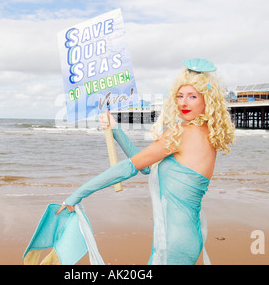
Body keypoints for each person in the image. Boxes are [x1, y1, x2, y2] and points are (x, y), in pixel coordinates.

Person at [56, 58, 236, 265]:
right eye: (180, 96)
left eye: (192, 96)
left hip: (173, 244)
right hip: (188, 238)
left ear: (207, 100)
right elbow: (146, 166)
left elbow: (129, 167)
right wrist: (115, 129)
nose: (183, 103)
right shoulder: (207, 135)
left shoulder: (181, 134)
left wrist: (76, 195)